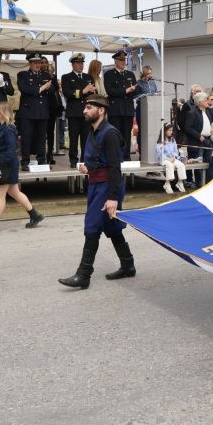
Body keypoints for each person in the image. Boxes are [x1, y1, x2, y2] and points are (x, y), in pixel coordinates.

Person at [59, 95, 135, 289]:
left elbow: (115, 168)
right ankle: (128, 265)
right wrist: (89, 167)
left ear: (101, 111)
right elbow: (99, 160)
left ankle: (83, 274)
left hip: (107, 187)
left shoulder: (110, 134)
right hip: (96, 185)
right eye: (85, 107)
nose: (84, 111)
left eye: (89, 107)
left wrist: (113, 198)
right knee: (112, 227)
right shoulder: (93, 131)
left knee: (92, 227)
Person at [0, 101, 43, 234]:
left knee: (0, 195)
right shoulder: (3, 128)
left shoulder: (8, 129)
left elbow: (11, 150)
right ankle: (35, 215)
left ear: (2, 112)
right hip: (7, 165)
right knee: (14, 192)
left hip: (6, 166)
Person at [16, 53, 52, 171]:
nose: (38, 65)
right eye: (35, 63)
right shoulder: (23, 75)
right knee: (26, 138)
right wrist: (41, 88)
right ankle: (25, 161)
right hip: (28, 111)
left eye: (39, 63)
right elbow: (24, 89)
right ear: (30, 63)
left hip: (42, 111)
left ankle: (41, 161)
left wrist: (46, 88)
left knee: (41, 138)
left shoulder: (46, 75)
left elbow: (52, 89)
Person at [61, 53, 96, 167]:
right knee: (73, 138)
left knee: (86, 138)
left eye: (82, 63)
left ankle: (85, 159)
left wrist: (92, 91)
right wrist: (83, 91)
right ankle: (73, 160)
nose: (81, 65)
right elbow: (68, 93)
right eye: (78, 63)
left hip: (87, 113)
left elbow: (93, 93)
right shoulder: (66, 77)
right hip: (74, 112)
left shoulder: (88, 77)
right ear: (73, 65)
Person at [103, 50, 137, 159]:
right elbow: (110, 91)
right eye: (121, 60)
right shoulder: (109, 74)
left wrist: (134, 90)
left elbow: (135, 91)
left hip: (127, 109)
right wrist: (126, 90)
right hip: (116, 110)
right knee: (115, 135)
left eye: (124, 60)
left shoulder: (130, 74)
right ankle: (115, 158)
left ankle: (126, 157)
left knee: (127, 135)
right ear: (115, 61)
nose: (123, 62)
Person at [184, 90, 213, 187]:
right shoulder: (192, 113)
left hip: (208, 140)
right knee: (199, 163)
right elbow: (187, 128)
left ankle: (208, 183)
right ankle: (200, 184)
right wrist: (198, 136)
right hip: (197, 142)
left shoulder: (208, 112)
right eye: (206, 99)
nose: (208, 101)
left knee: (209, 162)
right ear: (200, 102)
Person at [41, 58, 63, 164]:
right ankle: (41, 154)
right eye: (42, 62)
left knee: (50, 132)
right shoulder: (38, 76)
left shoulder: (52, 76)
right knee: (41, 133)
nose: (44, 64)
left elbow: (57, 90)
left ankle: (50, 154)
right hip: (41, 108)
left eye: (46, 62)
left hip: (51, 108)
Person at [155, 123, 186, 194]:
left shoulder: (172, 140)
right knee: (170, 165)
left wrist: (174, 157)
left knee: (181, 165)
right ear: (165, 131)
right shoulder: (161, 141)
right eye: (169, 130)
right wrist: (167, 158)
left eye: (171, 130)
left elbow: (175, 150)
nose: (171, 132)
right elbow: (159, 152)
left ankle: (180, 182)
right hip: (164, 160)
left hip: (172, 158)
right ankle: (167, 183)